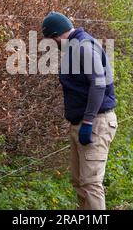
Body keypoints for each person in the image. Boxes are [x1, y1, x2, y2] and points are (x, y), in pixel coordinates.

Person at [42, 11, 118, 210]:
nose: (53, 44)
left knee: (91, 184)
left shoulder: (84, 47)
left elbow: (99, 84)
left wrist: (88, 121)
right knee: (79, 182)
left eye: (51, 40)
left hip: (95, 123)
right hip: (83, 123)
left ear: (57, 35)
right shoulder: (74, 48)